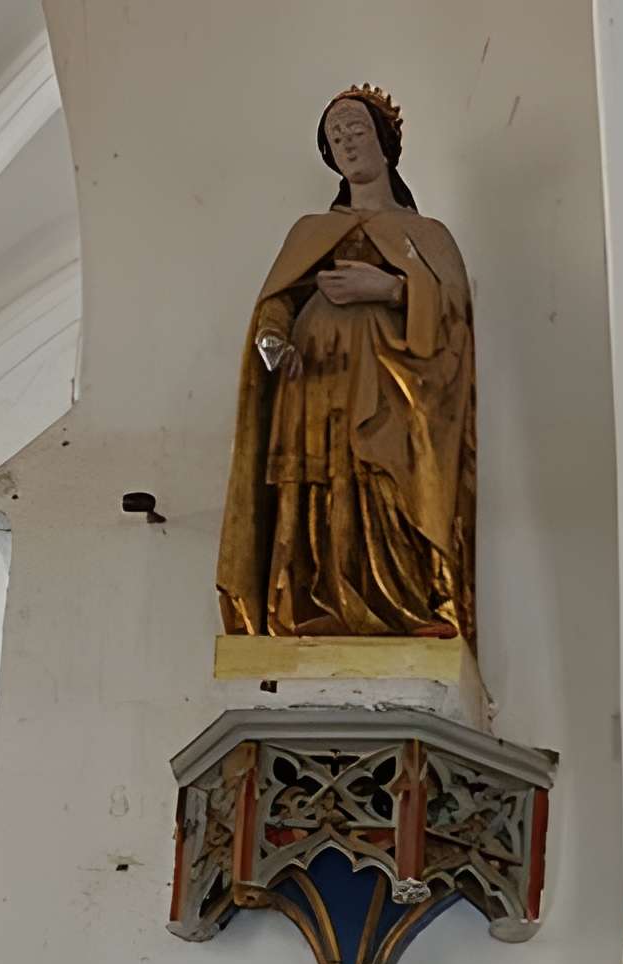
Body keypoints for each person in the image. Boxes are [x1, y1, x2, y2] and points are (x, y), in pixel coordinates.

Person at [215, 84, 475, 641]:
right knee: (317, 488)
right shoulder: (311, 232)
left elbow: (454, 314)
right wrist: (272, 335)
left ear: (384, 142)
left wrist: (391, 289)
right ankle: (312, 607)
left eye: (356, 128)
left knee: (381, 483)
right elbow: (280, 298)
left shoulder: (426, 235)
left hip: (389, 387)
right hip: (314, 383)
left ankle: (401, 605)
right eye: (336, 136)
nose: (347, 140)